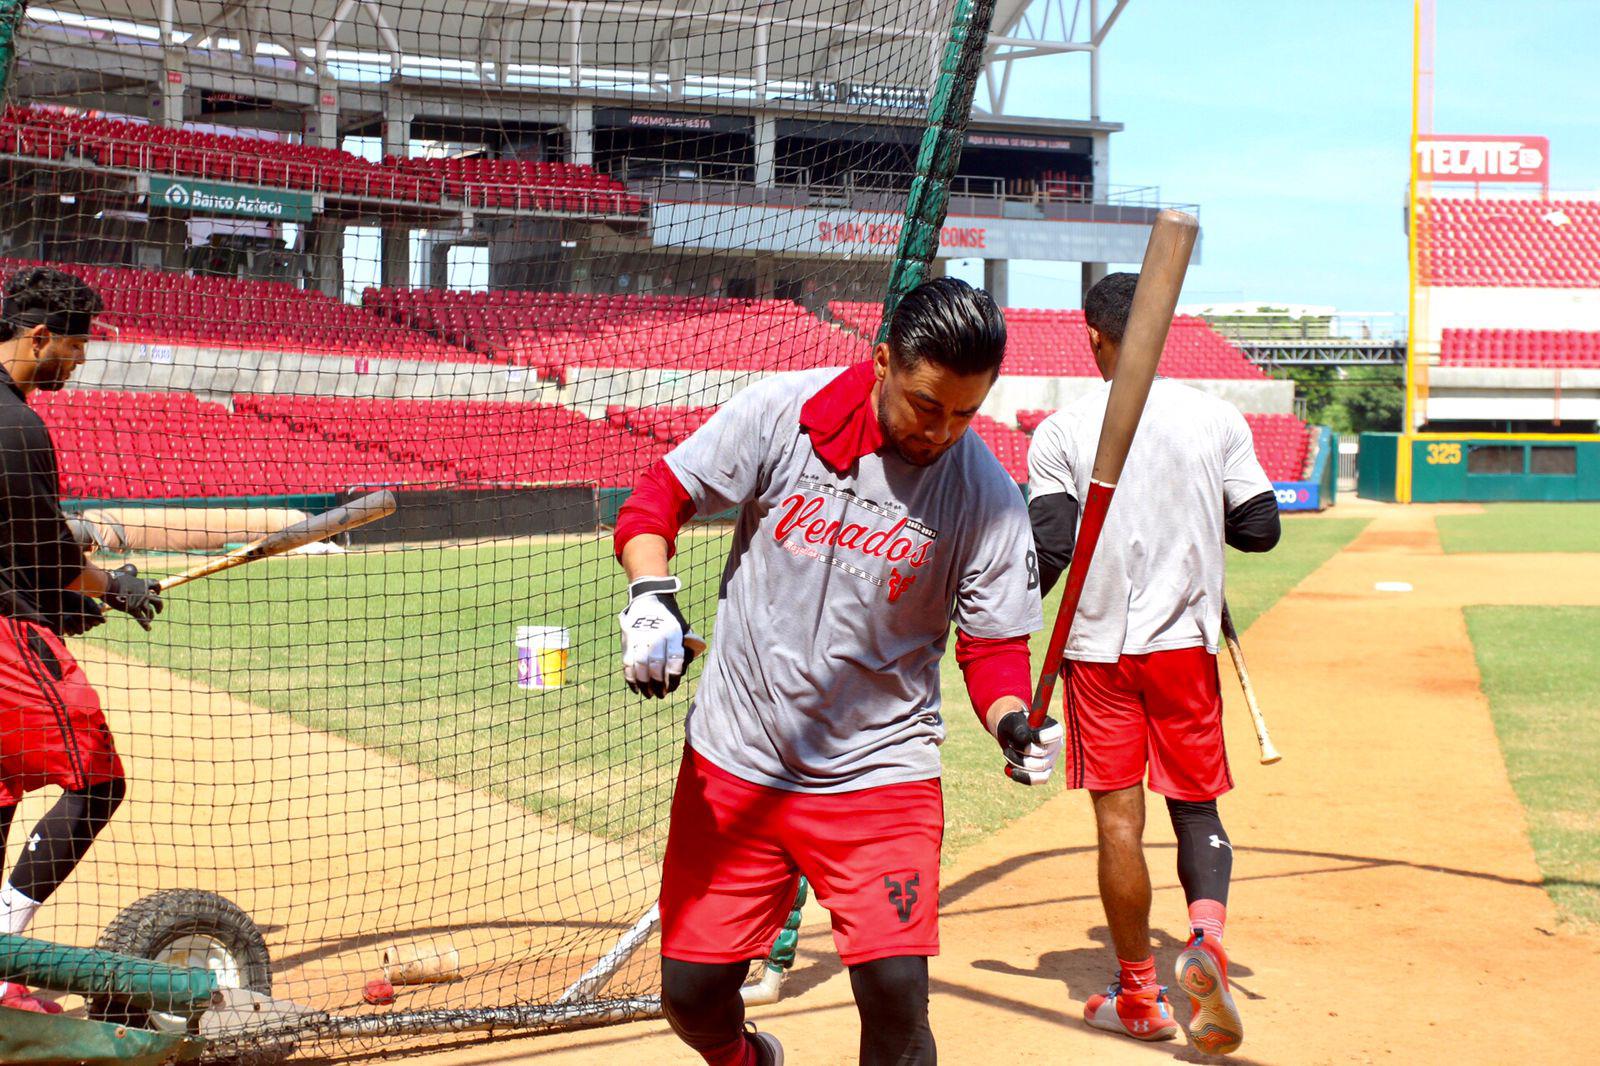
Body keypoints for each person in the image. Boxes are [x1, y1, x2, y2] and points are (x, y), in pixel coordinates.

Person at [612, 277, 1061, 1066]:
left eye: (965, 413)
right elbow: (658, 498)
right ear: (883, 362)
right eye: (927, 405)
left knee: (896, 1000)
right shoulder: (779, 414)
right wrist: (651, 597)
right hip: (739, 756)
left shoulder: (987, 495)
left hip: (880, 772)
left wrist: (1012, 721)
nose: (942, 432)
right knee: (691, 995)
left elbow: (992, 648)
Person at [1026, 272, 1280, 1055]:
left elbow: (1050, 549)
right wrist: (1196, 520)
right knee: (1196, 809)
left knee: (1119, 822)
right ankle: (1205, 941)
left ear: (1094, 338)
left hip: (1098, 653)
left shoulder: (1061, 430)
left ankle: (1138, 993)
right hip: (1184, 649)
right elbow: (1261, 528)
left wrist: (1000, 617)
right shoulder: (1216, 418)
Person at [0, 267, 164, 1013]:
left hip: (13, 612)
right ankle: (3, 954)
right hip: (5, 638)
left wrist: (57, 606)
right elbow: (51, 554)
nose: (80, 360)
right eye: (74, 346)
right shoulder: (16, 426)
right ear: (40, 337)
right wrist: (113, 587)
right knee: (98, 781)